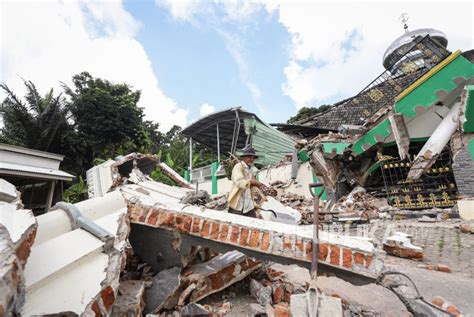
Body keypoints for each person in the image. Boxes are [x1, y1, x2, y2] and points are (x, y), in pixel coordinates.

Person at [228, 146, 264, 218]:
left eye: (253, 157)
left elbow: (251, 185)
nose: (251, 159)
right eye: (249, 157)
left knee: (252, 222)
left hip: (248, 205)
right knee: (236, 226)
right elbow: (239, 182)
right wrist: (253, 182)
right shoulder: (238, 167)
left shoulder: (251, 169)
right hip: (238, 205)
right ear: (243, 157)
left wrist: (258, 187)